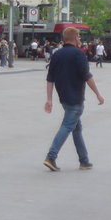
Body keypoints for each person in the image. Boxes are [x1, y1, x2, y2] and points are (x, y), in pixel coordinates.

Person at [43, 25, 105, 171]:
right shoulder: (78, 54)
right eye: (79, 37)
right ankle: (51, 156)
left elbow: (50, 78)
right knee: (67, 126)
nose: (80, 39)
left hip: (63, 98)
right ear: (75, 38)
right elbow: (87, 77)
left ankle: (84, 160)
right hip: (75, 99)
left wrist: (49, 99)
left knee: (76, 128)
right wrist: (98, 94)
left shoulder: (57, 54)